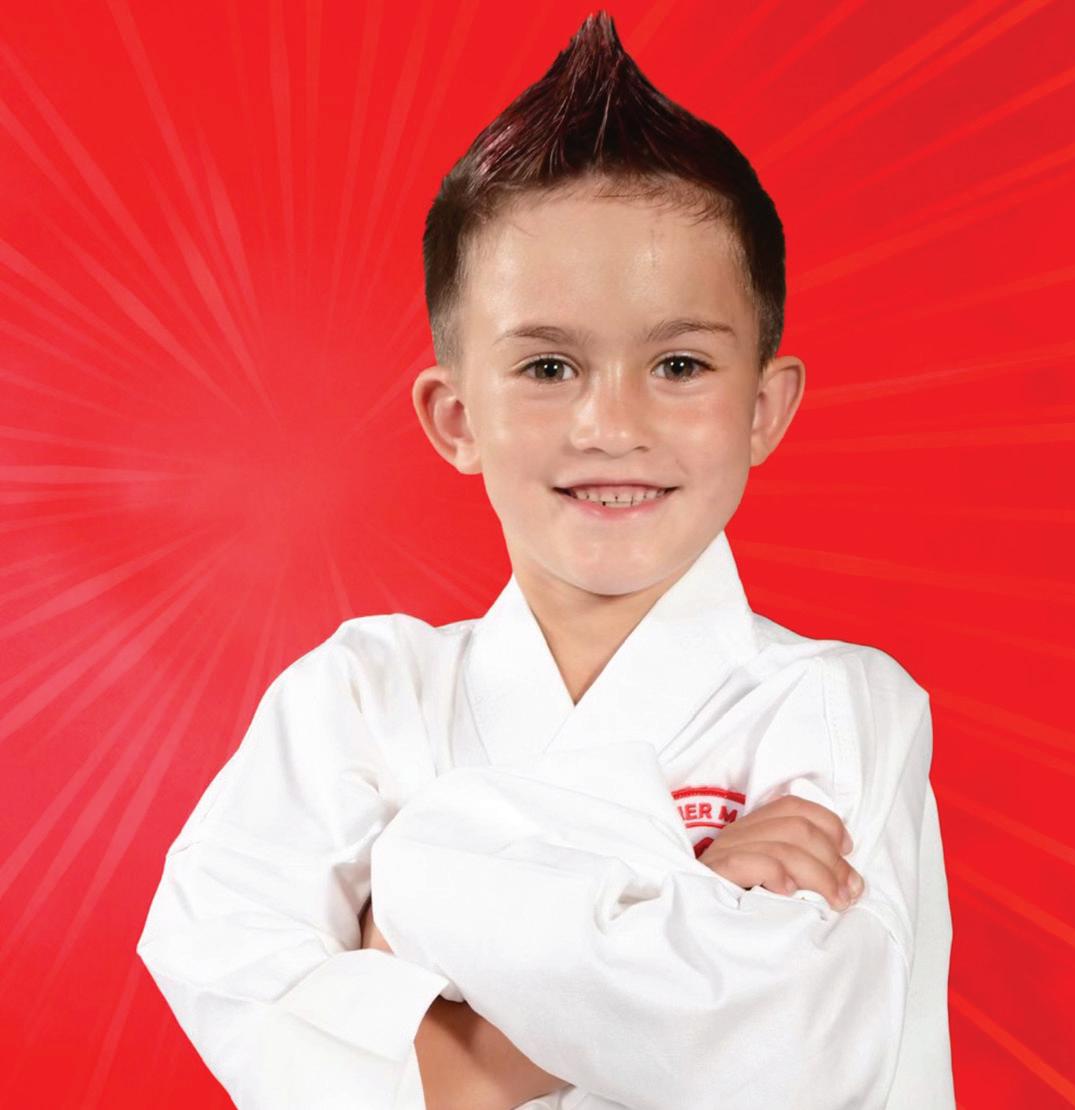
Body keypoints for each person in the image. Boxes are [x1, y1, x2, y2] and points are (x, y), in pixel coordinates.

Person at [136, 10, 954, 1109]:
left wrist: (414, 899)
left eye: (678, 364)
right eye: (549, 367)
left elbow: (791, 1049)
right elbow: (245, 1004)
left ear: (764, 408)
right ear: (455, 417)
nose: (612, 425)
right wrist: (684, 902)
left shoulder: (840, 704)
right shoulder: (361, 697)